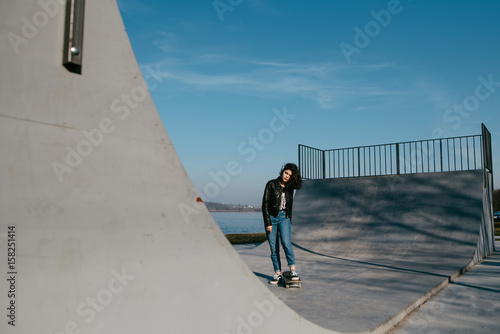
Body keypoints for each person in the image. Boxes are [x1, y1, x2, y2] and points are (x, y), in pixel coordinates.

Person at [262, 163, 303, 285]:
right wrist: (268, 222)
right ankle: (278, 273)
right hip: (272, 219)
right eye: (286, 173)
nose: (287, 176)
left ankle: (293, 270)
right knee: (274, 248)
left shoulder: (290, 187)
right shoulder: (271, 184)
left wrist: (288, 219)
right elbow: (264, 205)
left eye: (290, 175)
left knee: (286, 243)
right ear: (282, 171)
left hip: (284, 218)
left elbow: (289, 205)